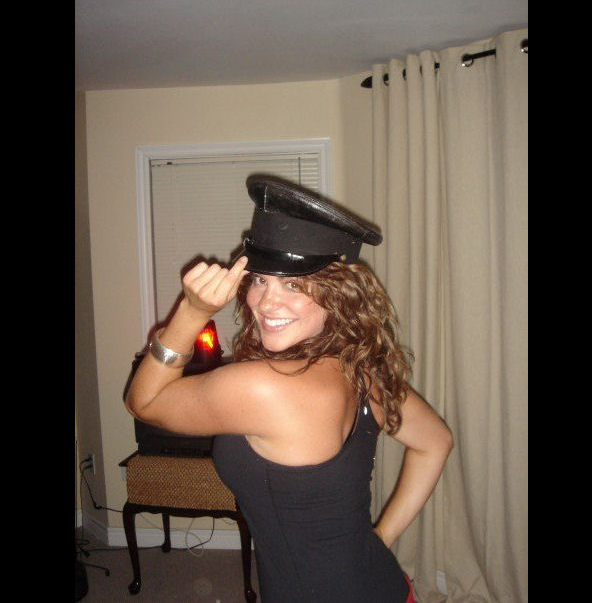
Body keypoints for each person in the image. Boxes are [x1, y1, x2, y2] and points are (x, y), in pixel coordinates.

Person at [125, 175, 453, 602]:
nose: (265, 302)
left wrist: (191, 311)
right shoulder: (360, 367)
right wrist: (381, 538)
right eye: (260, 279)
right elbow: (436, 441)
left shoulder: (266, 388)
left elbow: (143, 401)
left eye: (294, 285)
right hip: (382, 585)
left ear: (339, 295)